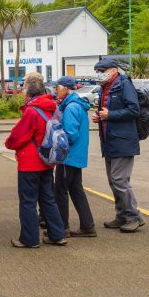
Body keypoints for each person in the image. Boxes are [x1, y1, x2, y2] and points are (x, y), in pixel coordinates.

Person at [4, 72, 68, 248]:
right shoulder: (53, 107)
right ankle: (57, 234)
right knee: (48, 198)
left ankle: (29, 239)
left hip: (30, 163)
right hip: (47, 160)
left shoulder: (32, 111)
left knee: (28, 201)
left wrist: (9, 143)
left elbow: (18, 137)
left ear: (28, 92)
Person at [92, 57, 144, 233]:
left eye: (102, 71)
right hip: (109, 141)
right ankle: (121, 215)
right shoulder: (105, 87)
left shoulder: (124, 84)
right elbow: (107, 111)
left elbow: (134, 110)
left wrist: (110, 115)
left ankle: (133, 216)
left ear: (113, 70)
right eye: (98, 71)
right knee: (113, 181)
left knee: (119, 180)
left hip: (123, 141)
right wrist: (100, 116)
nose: (100, 74)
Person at [53, 76, 96, 237]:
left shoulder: (70, 108)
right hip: (76, 156)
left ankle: (62, 227)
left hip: (67, 156)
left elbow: (70, 135)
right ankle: (87, 225)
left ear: (65, 89)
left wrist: (55, 136)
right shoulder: (77, 105)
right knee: (76, 190)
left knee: (61, 191)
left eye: (57, 88)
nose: (56, 91)